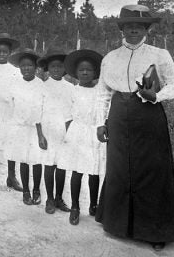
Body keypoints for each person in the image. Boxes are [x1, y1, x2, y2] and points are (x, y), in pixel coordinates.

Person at [94, 5, 174, 251]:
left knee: (152, 169)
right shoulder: (110, 58)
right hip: (118, 114)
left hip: (148, 112)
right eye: (128, 26)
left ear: (147, 29)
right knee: (119, 168)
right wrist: (100, 122)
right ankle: (118, 225)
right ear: (122, 29)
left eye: (138, 26)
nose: (133, 30)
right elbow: (103, 93)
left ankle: (156, 230)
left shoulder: (159, 54)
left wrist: (155, 96)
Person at [57, 49, 105, 226]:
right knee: (77, 171)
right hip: (77, 132)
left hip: (94, 132)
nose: (85, 73)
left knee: (94, 172)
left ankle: (94, 205)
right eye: (81, 70)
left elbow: (104, 111)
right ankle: (76, 207)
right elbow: (67, 115)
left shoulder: (101, 91)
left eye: (89, 70)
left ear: (95, 72)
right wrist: (72, 135)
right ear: (76, 73)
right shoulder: (72, 91)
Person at [4, 48, 49, 205]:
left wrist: (41, 133)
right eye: (23, 66)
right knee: (23, 160)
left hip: (36, 129)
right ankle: (26, 191)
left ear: (35, 67)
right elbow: (10, 107)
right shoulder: (15, 84)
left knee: (36, 161)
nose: (26, 68)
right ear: (20, 68)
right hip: (20, 128)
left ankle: (36, 189)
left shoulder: (41, 85)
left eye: (29, 65)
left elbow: (43, 109)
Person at [0, 33, 24, 194]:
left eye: (5, 52)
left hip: (11, 111)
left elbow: (19, 94)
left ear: (9, 53)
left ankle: (11, 177)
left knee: (11, 144)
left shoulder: (15, 71)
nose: (2, 54)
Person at [37, 51, 73, 214]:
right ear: (48, 68)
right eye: (53, 66)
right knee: (49, 165)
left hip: (64, 130)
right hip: (48, 129)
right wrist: (40, 135)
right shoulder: (43, 86)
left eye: (60, 66)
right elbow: (37, 112)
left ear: (65, 69)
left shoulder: (70, 87)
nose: (56, 69)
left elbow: (71, 112)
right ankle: (49, 198)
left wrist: (70, 134)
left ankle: (59, 197)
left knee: (62, 165)